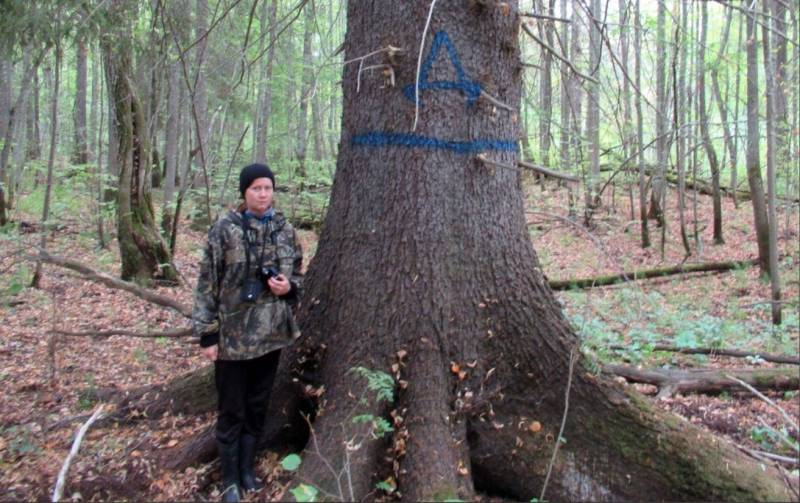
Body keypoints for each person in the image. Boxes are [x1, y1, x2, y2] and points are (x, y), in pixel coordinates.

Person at [193, 163, 302, 502]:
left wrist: (289, 288)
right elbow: (207, 283)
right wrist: (208, 335)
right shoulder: (224, 230)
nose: (263, 194)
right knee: (232, 411)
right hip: (232, 341)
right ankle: (228, 480)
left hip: (272, 337)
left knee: (257, 407)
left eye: (268, 188)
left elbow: (297, 272)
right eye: (256, 188)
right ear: (244, 192)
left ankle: (246, 470)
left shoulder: (285, 230)